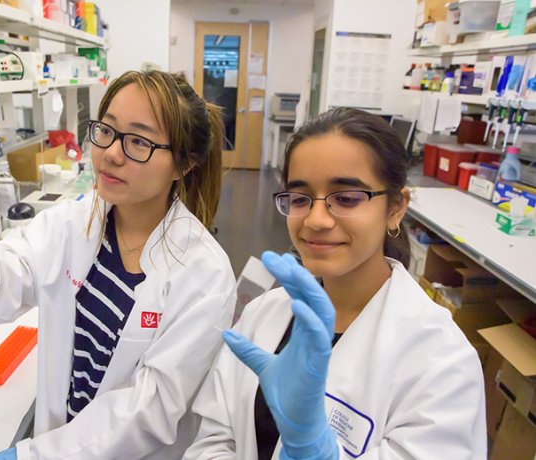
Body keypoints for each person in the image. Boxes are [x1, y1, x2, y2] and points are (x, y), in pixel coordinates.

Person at [0, 61, 236, 459]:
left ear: (184, 164)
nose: (111, 153)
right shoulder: (76, 222)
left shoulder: (206, 276)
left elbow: (147, 412)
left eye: (139, 142)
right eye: (107, 131)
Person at [184, 108, 486, 459]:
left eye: (345, 198)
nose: (315, 219)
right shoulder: (261, 315)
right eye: (300, 198)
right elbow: (213, 439)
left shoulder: (441, 360)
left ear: (396, 208)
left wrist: (315, 451)